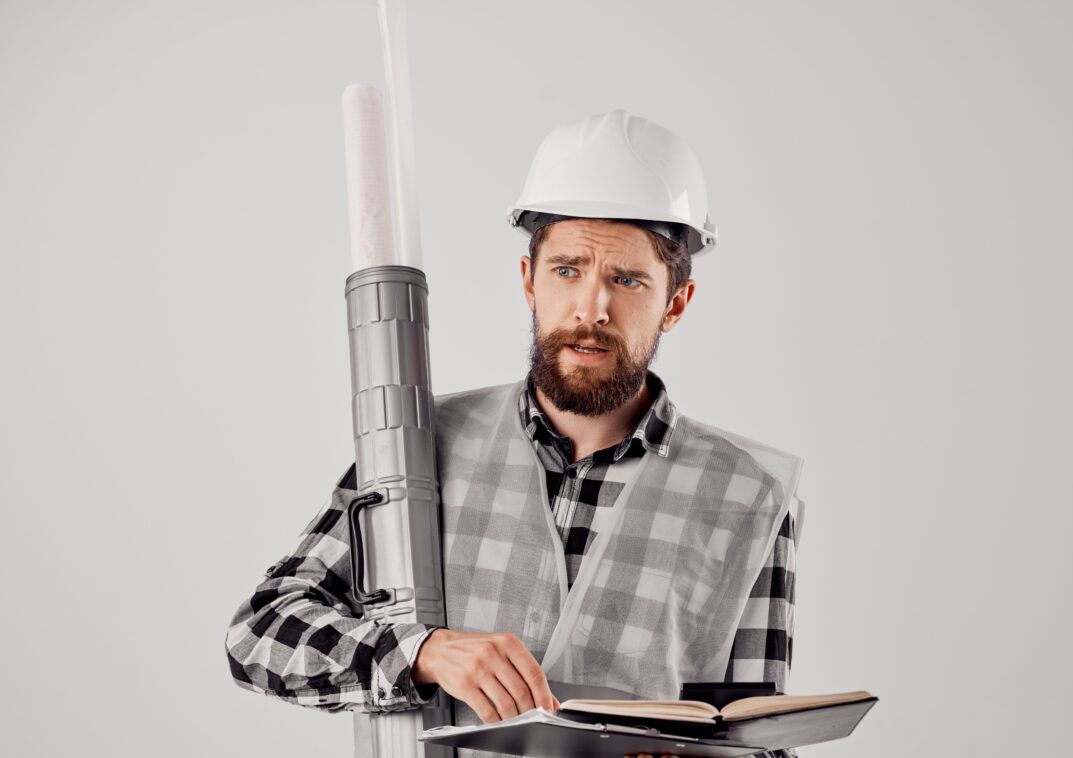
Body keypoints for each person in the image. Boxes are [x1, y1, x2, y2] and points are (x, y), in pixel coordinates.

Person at [225, 109, 805, 758]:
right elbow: (260, 633)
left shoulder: (749, 496)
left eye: (626, 279)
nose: (591, 308)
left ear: (675, 302)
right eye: (568, 270)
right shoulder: (418, 447)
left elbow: (755, 736)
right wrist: (422, 653)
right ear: (529, 281)